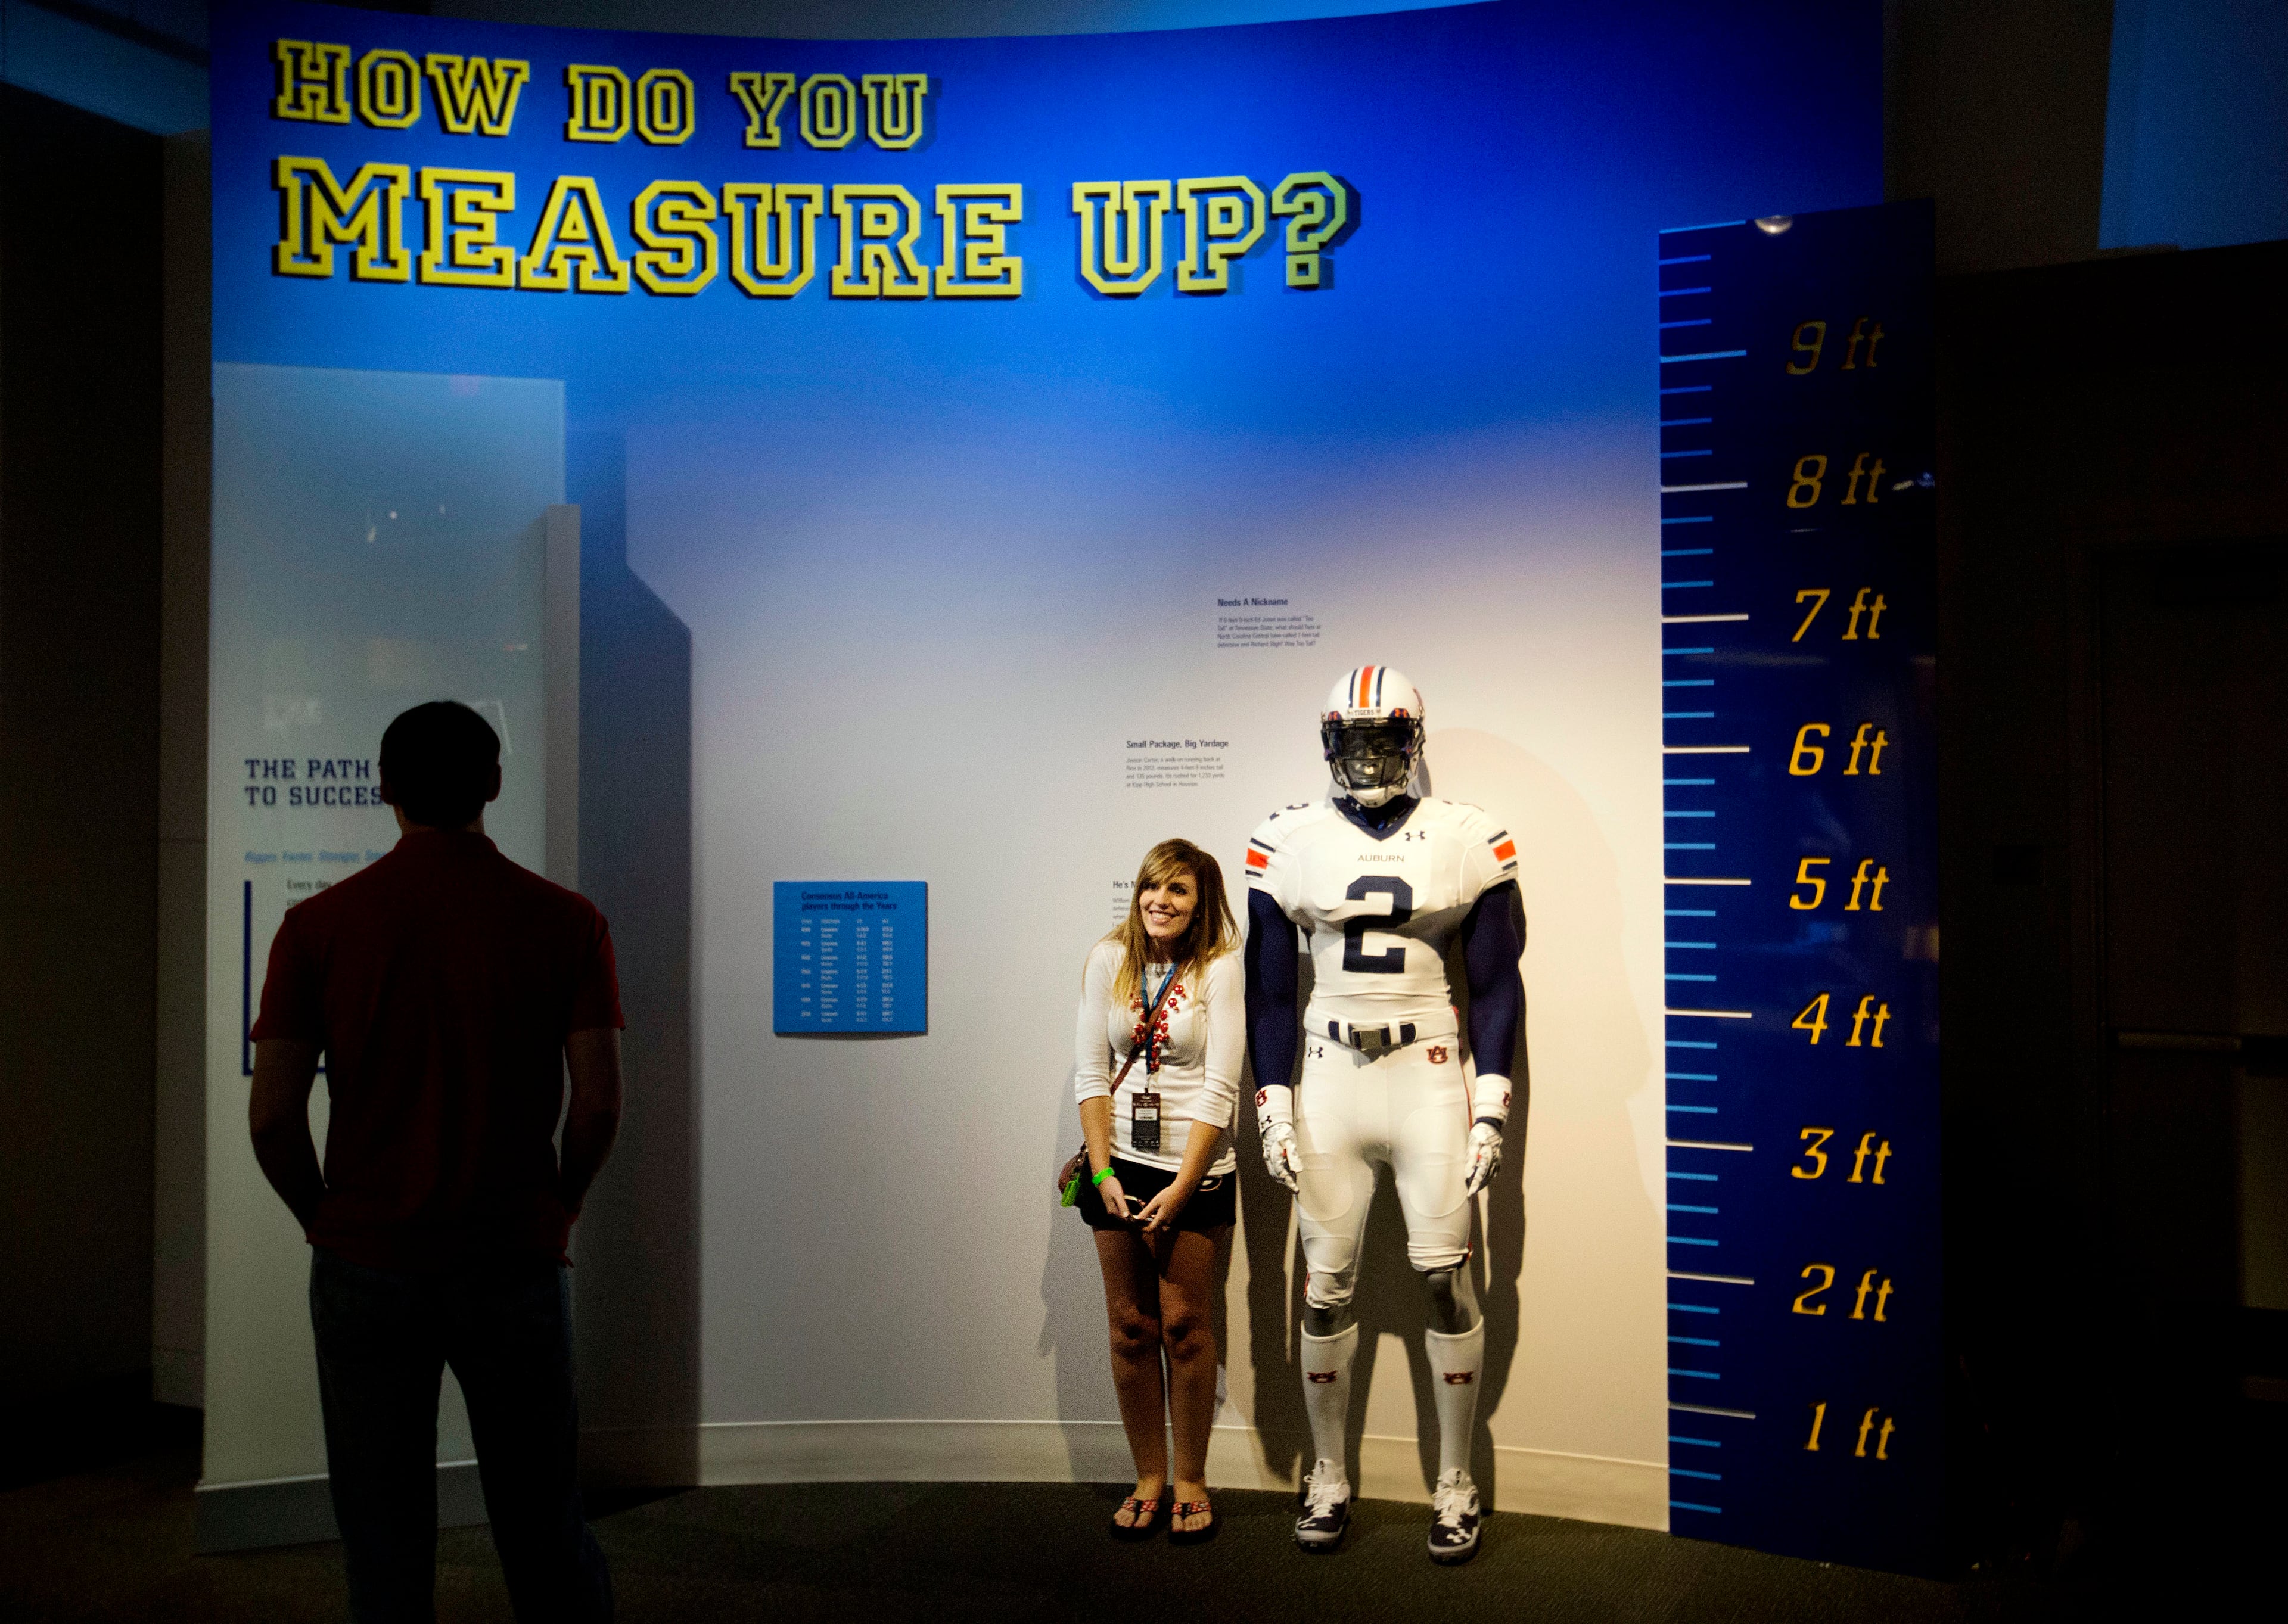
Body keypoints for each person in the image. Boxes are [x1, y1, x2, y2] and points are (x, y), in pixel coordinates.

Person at [248, 700, 624, 1623]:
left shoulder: (318, 927)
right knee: (543, 1526)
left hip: (367, 1260)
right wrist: (560, 1204)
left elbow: (273, 1118)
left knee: (383, 1540)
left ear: (383, 789)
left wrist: (325, 1217)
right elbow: (600, 1101)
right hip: (513, 1255)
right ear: (494, 784)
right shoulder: (566, 921)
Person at [1244, 665, 1526, 1564]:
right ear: (1330, 742)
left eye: (1384, 739)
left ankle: (1455, 1480)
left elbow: (1495, 980)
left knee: (1447, 1276)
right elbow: (1269, 991)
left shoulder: (1468, 836)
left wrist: (1491, 1102)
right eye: (1353, 740)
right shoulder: (1286, 838)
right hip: (1330, 1073)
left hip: (1429, 1072)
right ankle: (1327, 1473)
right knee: (1324, 1287)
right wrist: (1274, 1101)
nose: (1368, 760)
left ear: (1414, 740)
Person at [1069, 838, 1243, 1544]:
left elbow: (1220, 1088)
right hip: (1120, 1166)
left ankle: (1192, 1477)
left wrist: (1184, 1184)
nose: (1160, 902)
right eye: (1151, 887)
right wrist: (1104, 1171)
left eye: (1178, 890)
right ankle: (1147, 1474)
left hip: (1194, 1170)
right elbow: (1089, 1073)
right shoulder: (1109, 959)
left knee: (1183, 1324)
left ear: (1202, 903)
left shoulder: (1220, 968)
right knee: (1130, 1326)